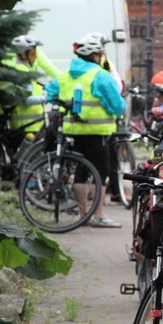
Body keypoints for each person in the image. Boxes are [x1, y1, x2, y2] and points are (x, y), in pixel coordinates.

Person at [45, 33, 126, 228]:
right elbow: (117, 105)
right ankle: (98, 215)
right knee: (101, 171)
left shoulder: (65, 75)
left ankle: (83, 215)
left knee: (81, 172)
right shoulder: (100, 75)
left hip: (73, 130)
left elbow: (49, 92)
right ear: (96, 55)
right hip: (97, 132)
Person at [4, 35, 59, 137]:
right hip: (28, 126)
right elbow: (25, 100)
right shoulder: (23, 72)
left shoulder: (17, 68)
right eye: (33, 54)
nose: (35, 58)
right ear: (23, 55)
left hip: (22, 125)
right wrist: (46, 98)